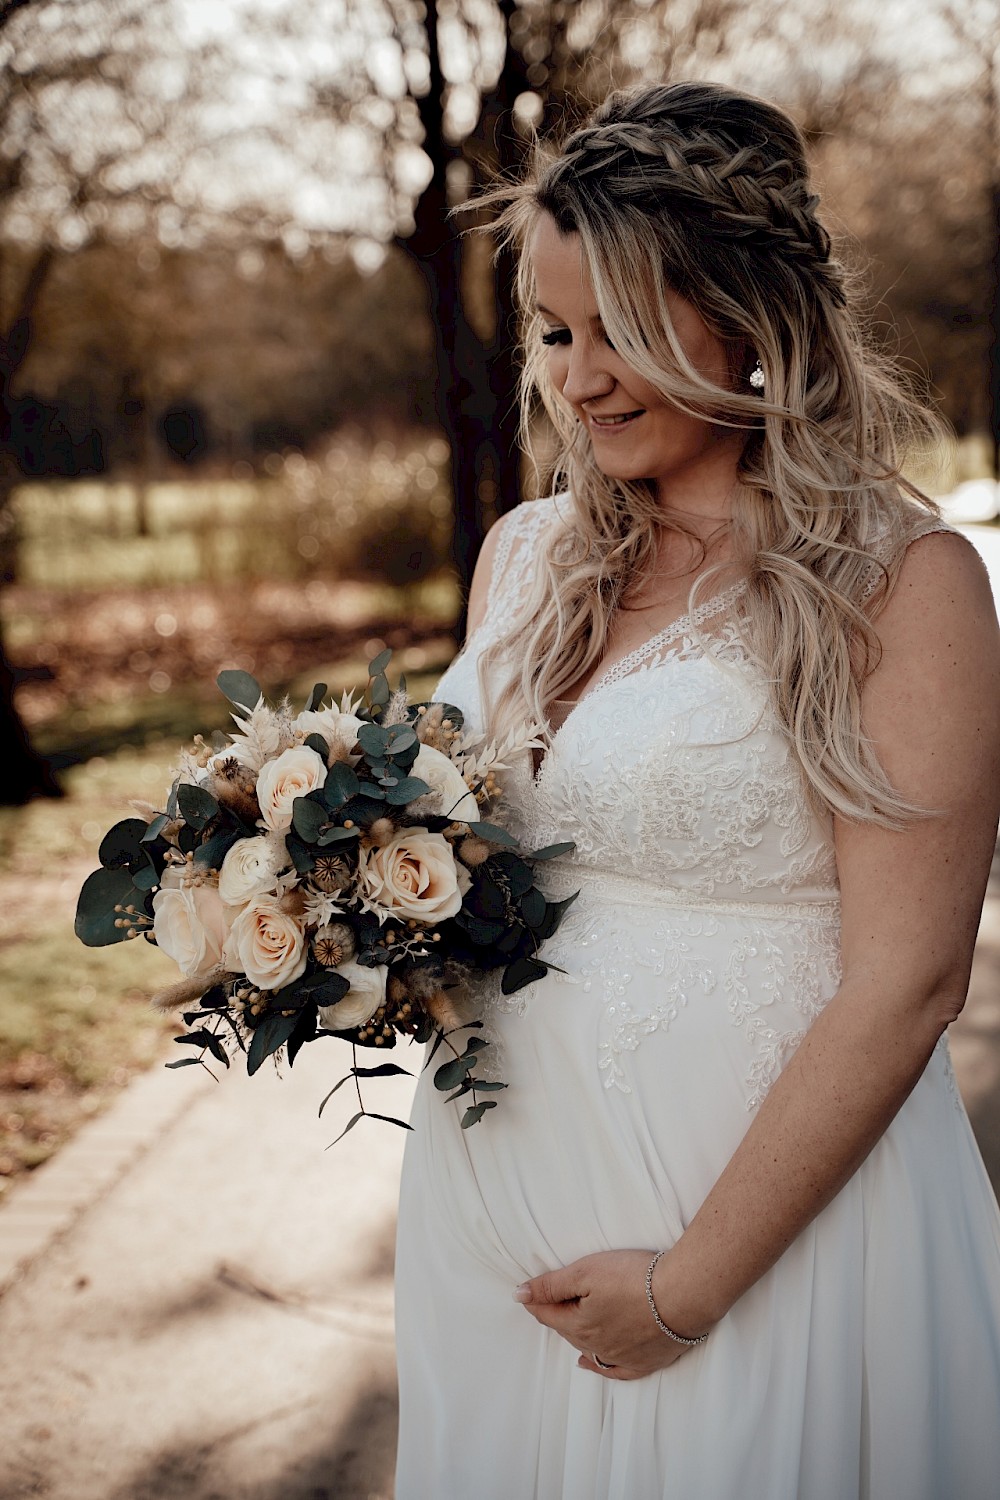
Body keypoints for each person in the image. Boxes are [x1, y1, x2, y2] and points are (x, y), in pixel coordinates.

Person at [393, 81, 1000, 1499]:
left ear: (753, 313)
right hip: (497, 1234)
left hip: (767, 1248)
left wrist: (687, 1288)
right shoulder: (523, 556)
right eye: (557, 332)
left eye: (632, 330)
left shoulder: (903, 583)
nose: (580, 377)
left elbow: (908, 983)